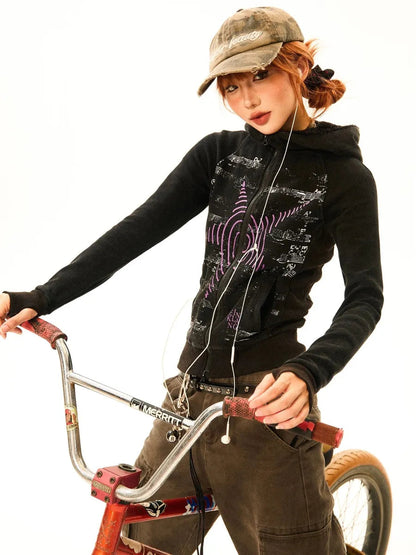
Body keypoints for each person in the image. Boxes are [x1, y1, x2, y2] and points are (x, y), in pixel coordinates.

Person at [0, 6, 382, 555]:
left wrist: (308, 371)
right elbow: (135, 232)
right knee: (136, 542)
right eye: (231, 86)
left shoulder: (344, 177)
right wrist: (40, 297)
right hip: (186, 402)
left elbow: (366, 296)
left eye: (260, 75)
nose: (246, 99)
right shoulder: (219, 156)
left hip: (266, 407)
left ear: (298, 67)